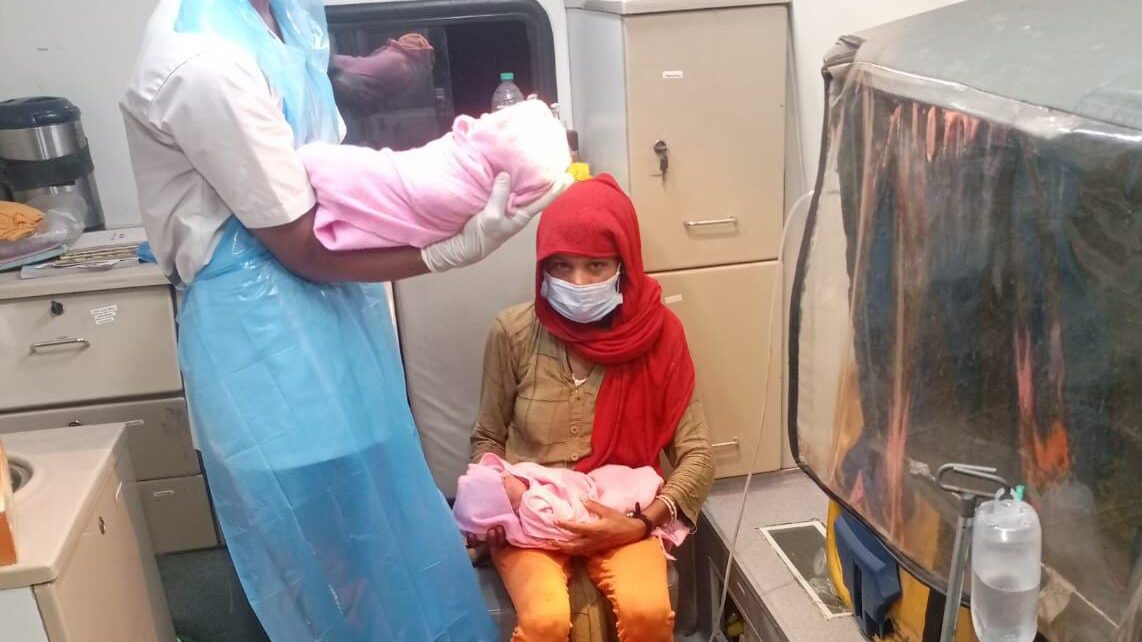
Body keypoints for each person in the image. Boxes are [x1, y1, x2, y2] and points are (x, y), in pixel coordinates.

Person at [119, 1, 566, 640]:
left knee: (391, 534)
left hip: (342, 320)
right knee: (324, 569)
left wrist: (383, 68)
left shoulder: (288, 13)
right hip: (262, 345)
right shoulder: (203, 63)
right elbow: (300, 243)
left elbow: (314, 126)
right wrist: (446, 252)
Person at [468, 175, 714, 642]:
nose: (576, 282)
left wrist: (640, 523)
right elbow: (487, 438)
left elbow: (698, 456)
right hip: (533, 518)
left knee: (647, 613)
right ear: (543, 266)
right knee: (544, 621)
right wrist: (495, 501)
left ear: (625, 264)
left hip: (624, 513)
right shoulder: (512, 333)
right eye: (560, 266)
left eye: (596, 265)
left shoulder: (661, 336)